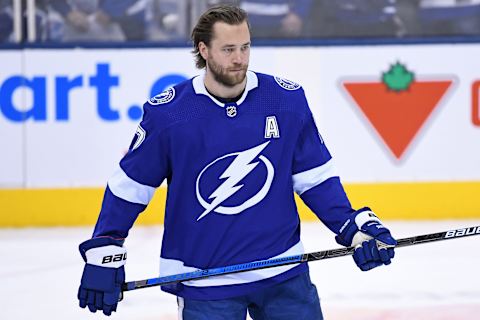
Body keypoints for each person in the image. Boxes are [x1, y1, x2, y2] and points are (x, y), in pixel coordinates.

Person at [77, 4, 397, 319]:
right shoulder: (169, 115)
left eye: (245, 47)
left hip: (284, 275)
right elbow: (130, 188)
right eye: (228, 49)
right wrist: (105, 247)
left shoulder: (286, 101)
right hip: (206, 283)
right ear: (204, 50)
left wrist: (353, 227)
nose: (240, 58)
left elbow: (316, 180)